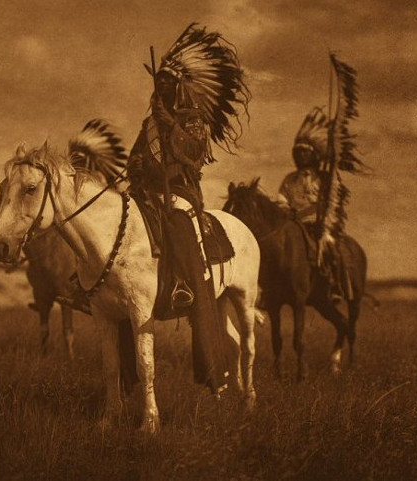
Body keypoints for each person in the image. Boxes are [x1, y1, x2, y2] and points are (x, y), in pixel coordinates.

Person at [128, 23, 250, 395]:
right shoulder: (149, 122)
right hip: (147, 193)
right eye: (158, 84)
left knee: (180, 225)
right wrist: (134, 171)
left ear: (178, 87)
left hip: (180, 194)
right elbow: (136, 156)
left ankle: (186, 288)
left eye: (167, 83)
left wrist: (172, 130)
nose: (161, 89)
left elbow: (194, 158)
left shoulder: (192, 119)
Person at [277, 107, 346, 298]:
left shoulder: (324, 179)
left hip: (317, 225)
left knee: (329, 246)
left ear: (313, 155)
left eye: (304, 152)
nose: (300, 156)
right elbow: (281, 198)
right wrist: (286, 210)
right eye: (297, 152)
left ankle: (334, 284)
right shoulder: (290, 179)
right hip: (292, 224)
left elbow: (328, 203)